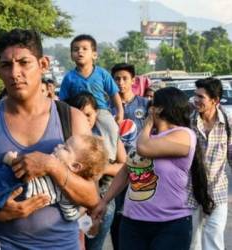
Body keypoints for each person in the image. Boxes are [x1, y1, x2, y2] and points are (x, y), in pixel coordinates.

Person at [0, 29, 99, 250]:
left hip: (61, 245)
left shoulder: (72, 119)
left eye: (24, 62)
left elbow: (92, 197)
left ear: (43, 64)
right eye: (7, 65)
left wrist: (51, 166)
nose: (15, 73)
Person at [92, 87, 214, 250]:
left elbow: (143, 148)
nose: (149, 107)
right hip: (132, 222)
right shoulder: (147, 136)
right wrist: (104, 201)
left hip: (170, 225)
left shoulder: (184, 135)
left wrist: (148, 123)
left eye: (153, 105)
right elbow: (127, 170)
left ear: (160, 109)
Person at [0, 134, 108, 250]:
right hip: (6, 188)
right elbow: (25, 167)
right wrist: (11, 160)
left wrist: (81, 212)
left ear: (75, 166)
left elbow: (78, 208)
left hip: (11, 188)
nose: (59, 146)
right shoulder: (48, 163)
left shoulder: (67, 187)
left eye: (65, 148)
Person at [67, 92, 126, 250]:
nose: (84, 119)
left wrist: (100, 167)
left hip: (102, 203)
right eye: (79, 115)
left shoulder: (108, 136)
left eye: (88, 114)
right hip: (72, 207)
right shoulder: (66, 137)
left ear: (96, 114)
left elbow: (125, 167)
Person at [59, 34, 124, 159]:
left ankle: (109, 157)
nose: (80, 52)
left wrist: (120, 111)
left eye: (84, 49)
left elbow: (113, 93)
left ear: (94, 54)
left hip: (100, 110)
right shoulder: (69, 77)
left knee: (112, 128)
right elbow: (63, 100)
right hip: (78, 113)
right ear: (71, 55)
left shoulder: (102, 73)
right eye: (76, 49)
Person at [190, 77, 232, 250]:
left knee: (214, 240)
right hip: (190, 192)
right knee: (193, 242)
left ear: (214, 100)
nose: (196, 100)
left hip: (218, 190)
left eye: (201, 97)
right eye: (195, 96)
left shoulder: (228, 122)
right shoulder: (187, 120)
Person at [110, 63, 149, 249]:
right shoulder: (107, 107)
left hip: (140, 168)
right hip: (115, 169)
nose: (121, 82)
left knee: (139, 213)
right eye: (117, 79)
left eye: (125, 78)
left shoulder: (145, 105)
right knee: (117, 215)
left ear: (133, 80)